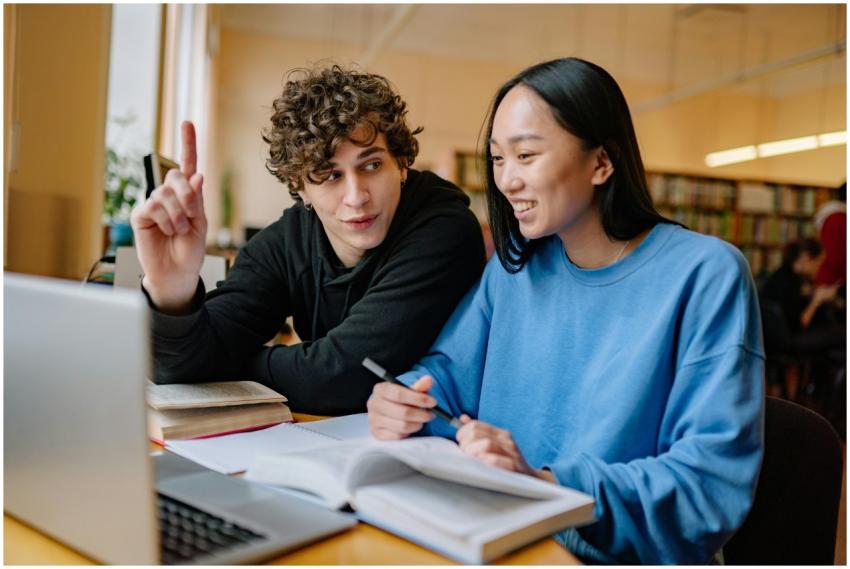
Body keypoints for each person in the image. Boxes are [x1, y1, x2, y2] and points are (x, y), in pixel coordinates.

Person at [366, 57, 764, 564]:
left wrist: (545, 485)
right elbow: (445, 375)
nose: (506, 181)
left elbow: (705, 484)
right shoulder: (514, 270)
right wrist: (403, 400)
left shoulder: (706, 274)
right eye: (497, 159)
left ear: (601, 162)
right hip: (500, 535)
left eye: (526, 155)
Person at [132, 65, 486, 415]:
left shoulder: (444, 230)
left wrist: (223, 364)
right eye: (329, 175)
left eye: (372, 165)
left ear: (402, 164)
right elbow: (180, 369)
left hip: (453, 444)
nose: (356, 196)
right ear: (300, 187)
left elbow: (340, 377)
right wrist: (172, 291)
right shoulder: (288, 241)